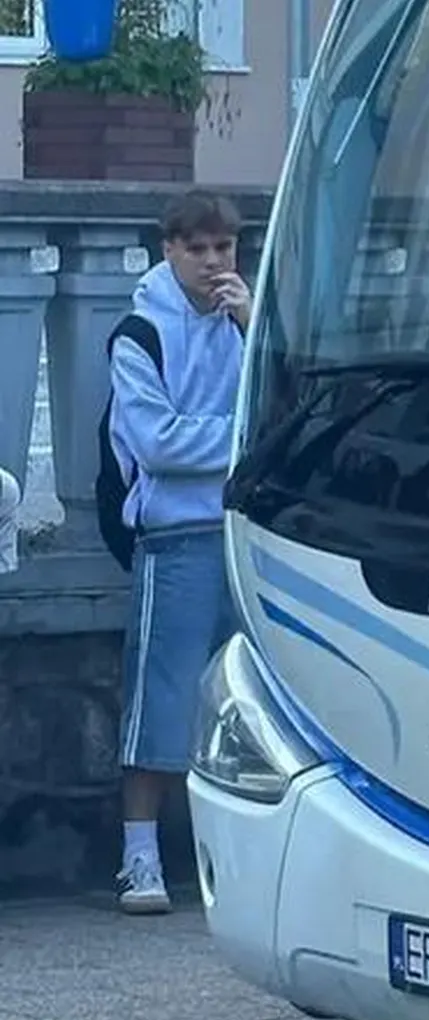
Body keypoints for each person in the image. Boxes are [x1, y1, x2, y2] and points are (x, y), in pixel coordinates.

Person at [109, 190, 250, 915]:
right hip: (172, 534)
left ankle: (231, 858)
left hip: (242, 530)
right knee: (160, 698)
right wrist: (239, 438)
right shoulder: (140, 333)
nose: (211, 262)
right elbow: (157, 443)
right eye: (196, 248)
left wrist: (255, 327)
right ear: (169, 250)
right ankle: (139, 858)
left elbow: (290, 398)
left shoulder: (244, 324)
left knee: (247, 703)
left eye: (222, 248)